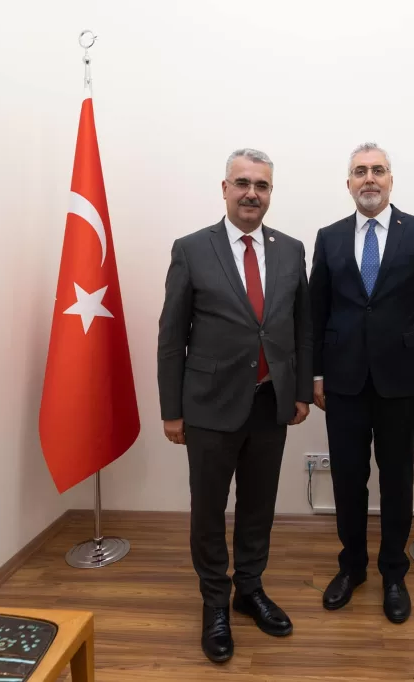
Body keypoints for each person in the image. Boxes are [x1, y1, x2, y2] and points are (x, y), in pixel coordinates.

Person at [157, 148, 312, 663]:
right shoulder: (191, 249)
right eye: (242, 183)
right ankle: (214, 602)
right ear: (224, 188)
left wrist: (299, 391)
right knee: (208, 509)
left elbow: (301, 328)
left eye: (261, 185)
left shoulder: (291, 250)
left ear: (271, 193)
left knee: (258, 504)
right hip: (208, 405)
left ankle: (249, 588)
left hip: (270, 402)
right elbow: (171, 337)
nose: (251, 193)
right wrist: (171, 410)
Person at [309, 142, 414, 624]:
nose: (368, 178)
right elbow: (317, 312)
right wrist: (316, 374)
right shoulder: (329, 237)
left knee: (396, 482)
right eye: (359, 171)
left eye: (377, 170)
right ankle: (351, 568)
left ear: (391, 180)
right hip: (343, 382)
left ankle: (393, 573)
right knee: (348, 482)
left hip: (403, 382)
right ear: (348, 183)